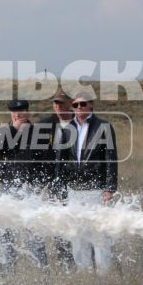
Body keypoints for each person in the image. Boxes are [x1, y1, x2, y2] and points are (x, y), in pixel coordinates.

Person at [57, 93, 119, 273]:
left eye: (82, 104)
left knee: (99, 233)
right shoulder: (67, 128)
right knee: (78, 234)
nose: (79, 108)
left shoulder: (104, 127)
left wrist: (109, 187)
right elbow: (60, 162)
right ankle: (84, 273)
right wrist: (60, 188)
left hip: (95, 188)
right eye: (75, 105)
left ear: (91, 105)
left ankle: (104, 273)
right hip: (74, 189)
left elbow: (111, 159)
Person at [0, 99, 52, 266]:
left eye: (21, 110)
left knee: (32, 229)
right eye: (14, 111)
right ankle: (7, 267)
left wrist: (41, 182)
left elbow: (48, 160)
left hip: (30, 188)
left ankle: (41, 267)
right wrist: (13, 129)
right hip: (8, 187)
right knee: (5, 229)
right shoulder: (6, 131)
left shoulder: (38, 132)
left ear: (27, 112)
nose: (18, 114)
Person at [45, 92, 77, 269]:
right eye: (54, 103)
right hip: (54, 183)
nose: (57, 106)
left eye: (60, 103)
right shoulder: (47, 124)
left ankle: (84, 258)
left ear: (70, 104)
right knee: (59, 221)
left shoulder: (80, 123)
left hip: (75, 182)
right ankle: (65, 260)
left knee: (77, 219)